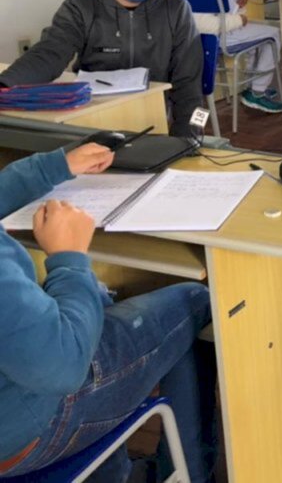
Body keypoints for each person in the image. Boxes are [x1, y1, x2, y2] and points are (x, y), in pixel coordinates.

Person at [0, 144, 217, 482]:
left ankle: (111, 471)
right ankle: (188, 471)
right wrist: (68, 258)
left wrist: (53, 167)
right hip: (24, 433)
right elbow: (63, 368)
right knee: (193, 301)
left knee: (97, 297)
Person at [0, 0, 204, 138]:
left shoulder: (176, 9)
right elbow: (49, 53)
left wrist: (192, 135)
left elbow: (190, 85)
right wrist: (5, 83)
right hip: (92, 123)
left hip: (152, 120)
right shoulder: (81, 7)